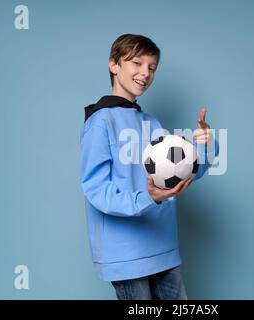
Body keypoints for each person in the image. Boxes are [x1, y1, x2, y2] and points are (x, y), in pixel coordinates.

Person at [80, 34, 218, 300]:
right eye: (137, 63)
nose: (145, 72)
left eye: (152, 67)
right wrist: (148, 198)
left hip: (163, 247)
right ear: (114, 65)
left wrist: (204, 144)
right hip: (125, 253)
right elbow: (96, 190)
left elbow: (186, 171)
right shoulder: (100, 122)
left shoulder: (152, 123)